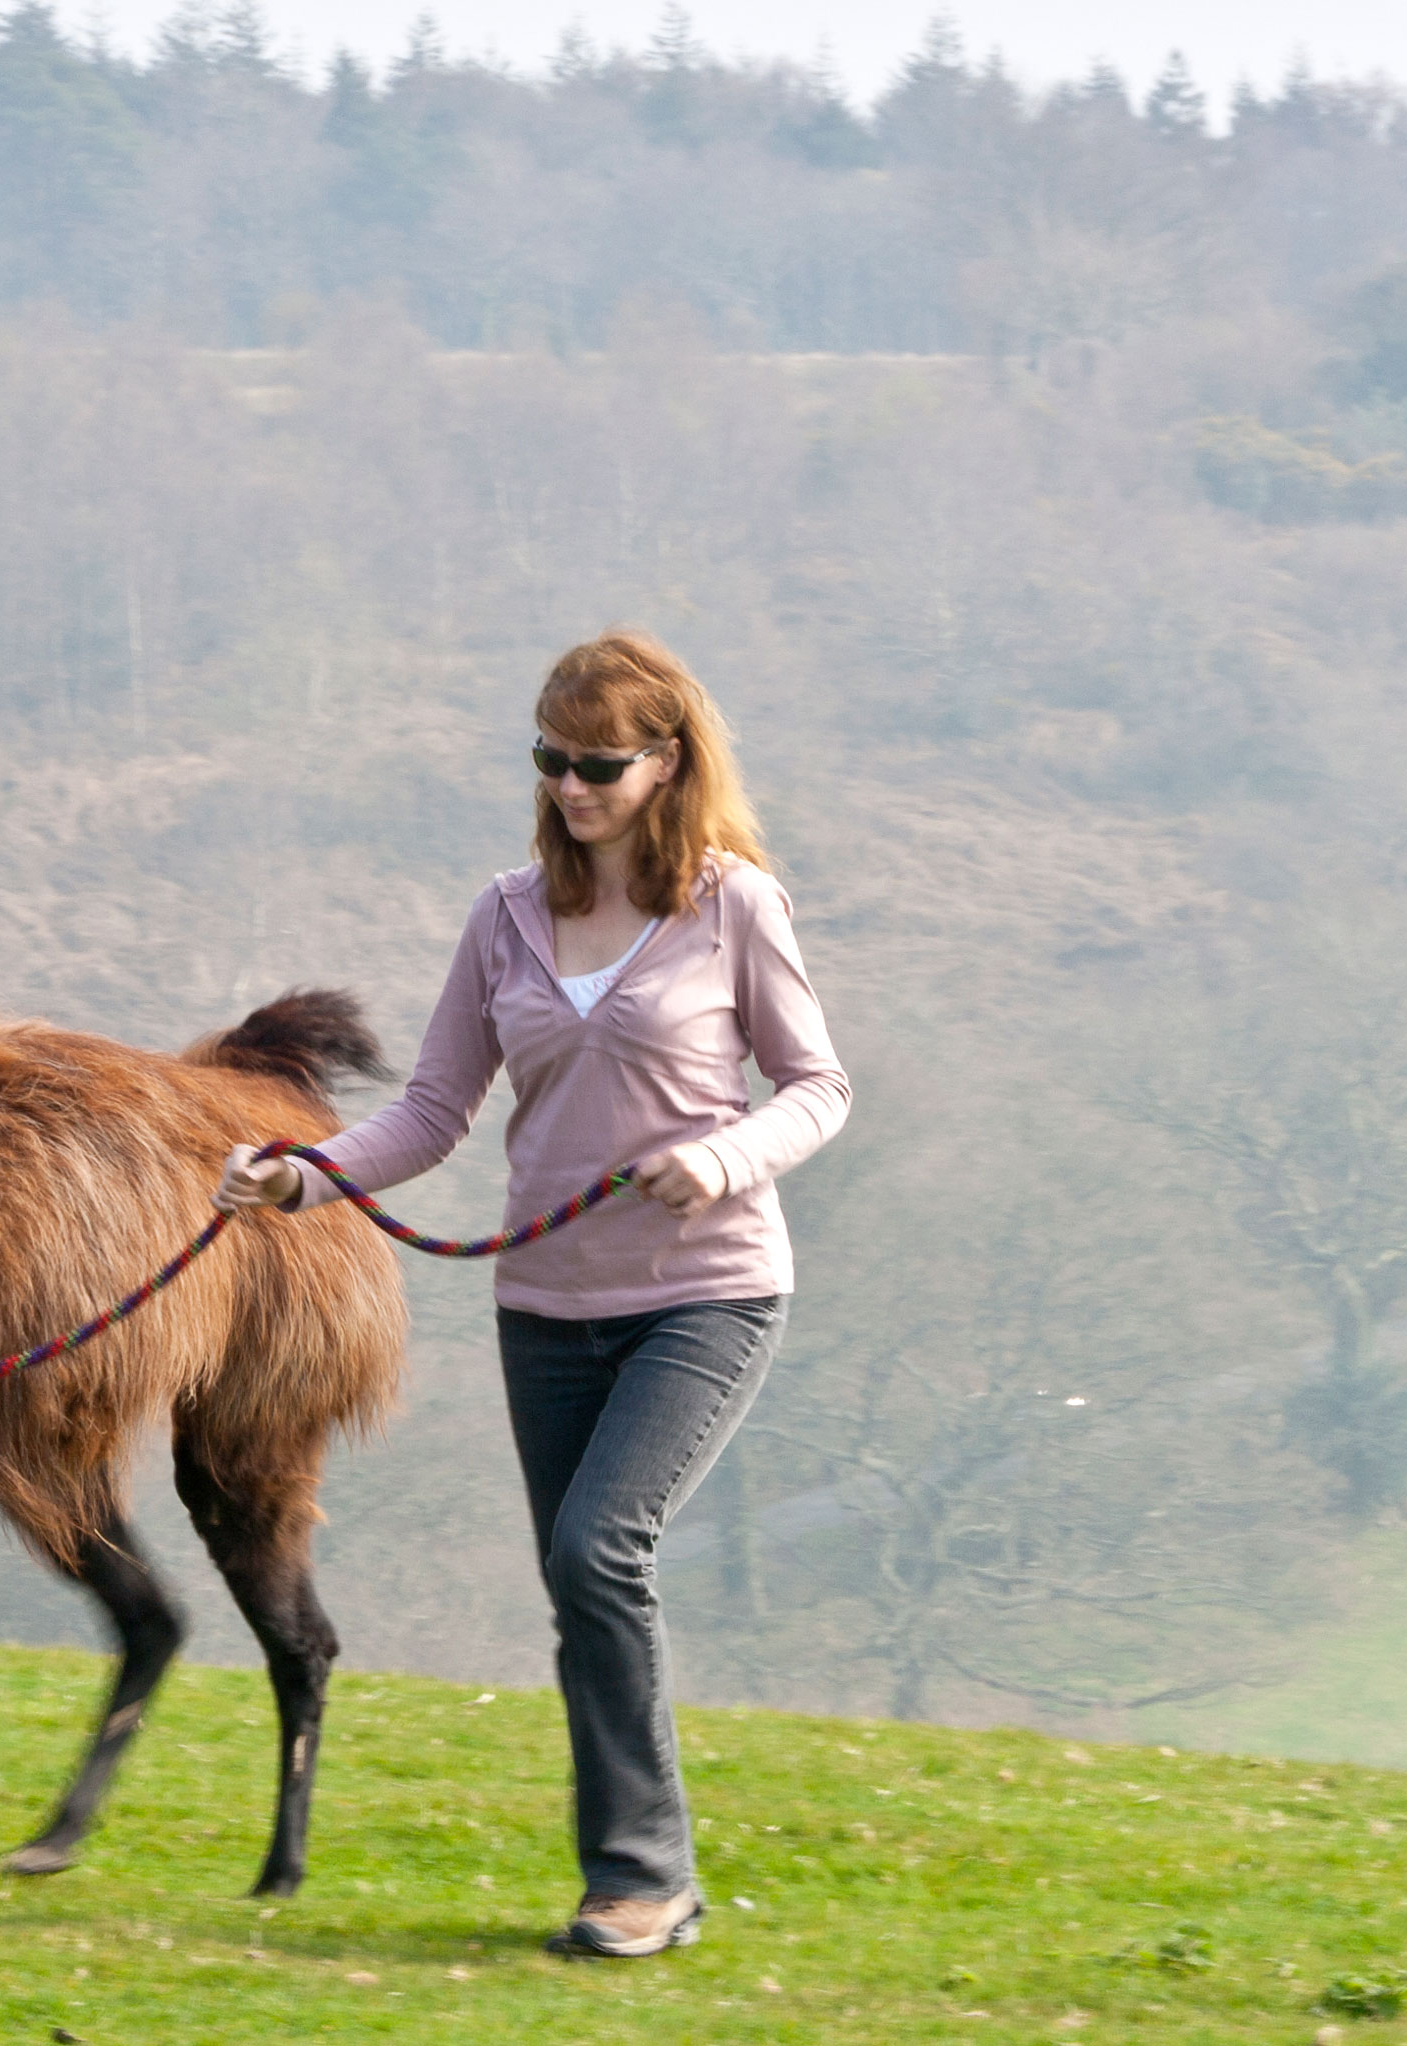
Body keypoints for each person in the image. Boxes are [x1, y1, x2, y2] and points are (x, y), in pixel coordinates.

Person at [217, 630, 850, 1959]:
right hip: (546, 1302)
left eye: (600, 763)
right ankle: (632, 1875)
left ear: (666, 759)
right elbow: (435, 1108)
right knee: (582, 1589)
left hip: (705, 1289)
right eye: (550, 759)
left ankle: (641, 1878)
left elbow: (814, 1088)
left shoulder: (733, 903)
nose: (570, 785)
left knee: (595, 1550)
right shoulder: (505, 913)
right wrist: (302, 1176)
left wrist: (723, 1155)